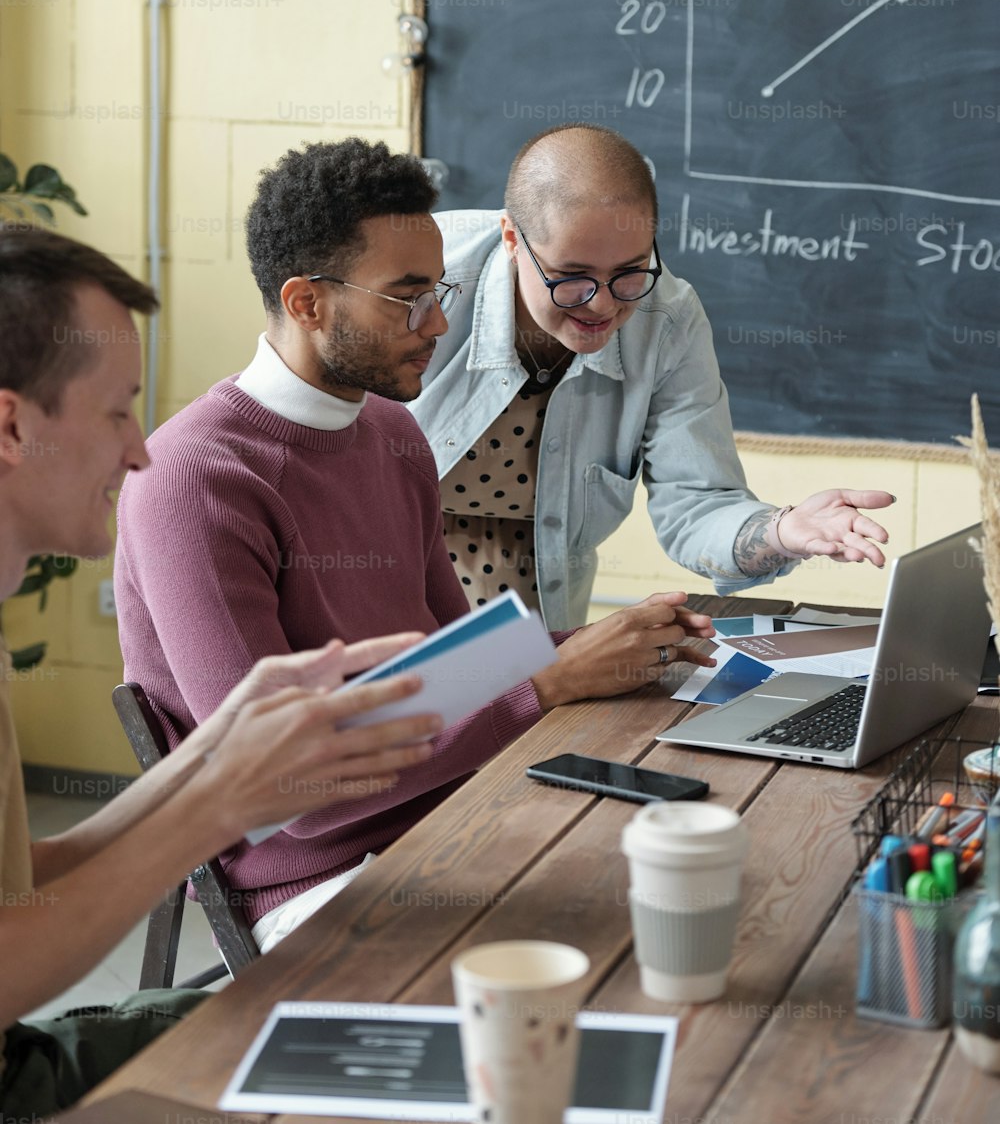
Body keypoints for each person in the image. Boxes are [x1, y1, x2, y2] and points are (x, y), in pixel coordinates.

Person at [115, 138, 716, 956]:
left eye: (439, 291)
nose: (437, 323)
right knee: (630, 951)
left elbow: (460, 663)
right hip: (312, 875)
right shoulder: (193, 480)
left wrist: (619, 645)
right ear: (306, 303)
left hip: (458, 810)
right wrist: (546, 681)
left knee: (707, 877)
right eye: (406, 297)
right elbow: (282, 788)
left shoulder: (393, 434)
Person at [0, 225, 444, 1120]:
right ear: (11, 424)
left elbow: (20, 883)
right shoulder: (199, 470)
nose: (137, 450)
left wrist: (217, 758)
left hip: (29, 1058)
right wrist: (220, 800)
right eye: (118, 409)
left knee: (429, 1049)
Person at [408, 123, 894, 631]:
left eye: (630, 271)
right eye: (571, 276)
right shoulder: (428, 276)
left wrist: (781, 531)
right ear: (513, 238)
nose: (603, 304)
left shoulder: (667, 321)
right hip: (376, 581)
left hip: (537, 609)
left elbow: (697, 504)